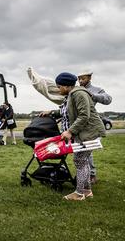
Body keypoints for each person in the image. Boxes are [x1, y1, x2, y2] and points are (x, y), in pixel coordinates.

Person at [40, 72, 106, 201]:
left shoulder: (79, 94)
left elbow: (84, 115)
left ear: (65, 86)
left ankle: (79, 193)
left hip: (89, 133)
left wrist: (70, 131)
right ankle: (86, 191)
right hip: (85, 133)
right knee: (82, 161)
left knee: (79, 161)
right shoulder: (71, 95)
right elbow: (67, 112)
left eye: (59, 87)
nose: (58, 90)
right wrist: (51, 112)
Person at [78, 70, 112, 184]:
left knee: (88, 150)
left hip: (91, 125)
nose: (80, 81)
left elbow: (108, 99)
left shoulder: (96, 90)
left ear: (89, 78)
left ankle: (91, 175)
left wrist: (93, 95)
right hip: (79, 125)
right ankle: (83, 173)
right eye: (79, 78)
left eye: (83, 78)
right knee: (80, 151)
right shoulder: (76, 90)